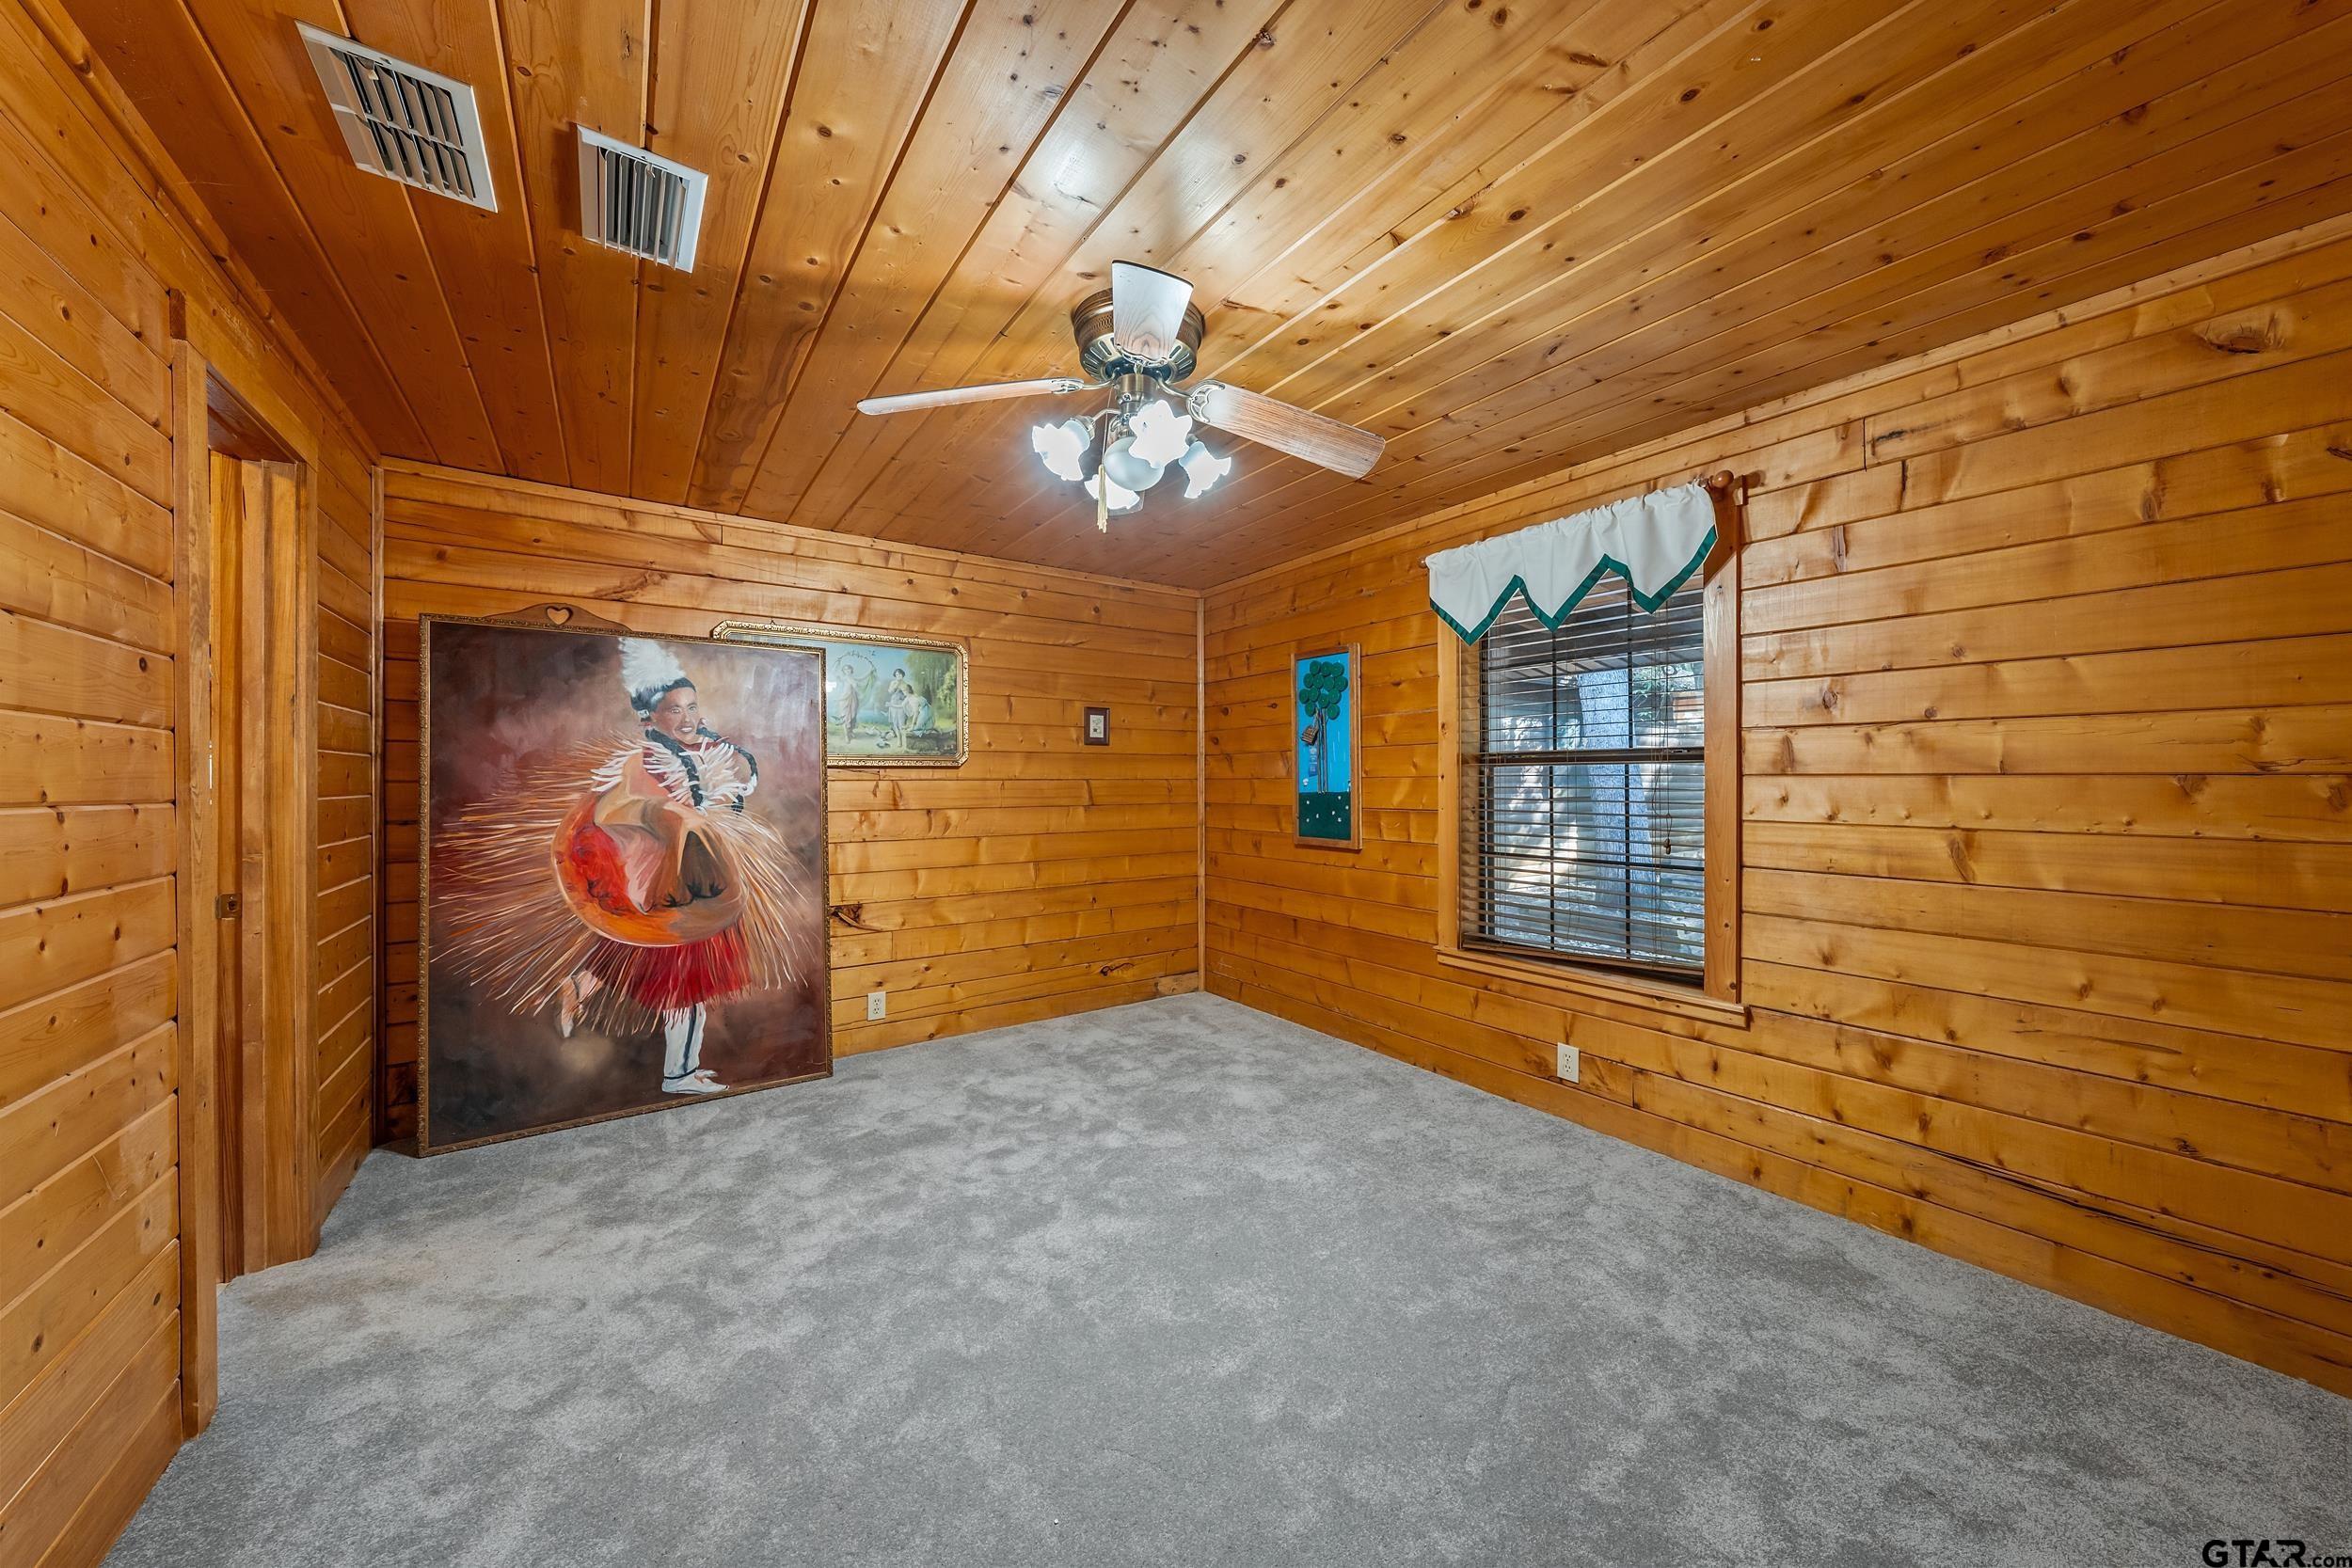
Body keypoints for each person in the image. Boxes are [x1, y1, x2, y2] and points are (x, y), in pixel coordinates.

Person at [553, 640, 761, 1094]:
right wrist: (682, 818)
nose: (687, 718)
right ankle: (678, 1075)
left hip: (693, 881)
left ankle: (581, 981)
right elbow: (632, 812)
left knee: (652, 959)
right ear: (649, 717)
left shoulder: (698, 751)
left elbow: (726, 794)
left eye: (692, 707)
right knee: (687, 986)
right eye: (674, 711)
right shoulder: (643, 760)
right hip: (674, 887)